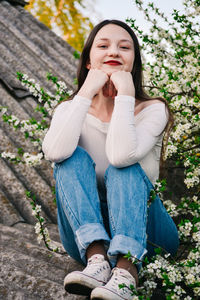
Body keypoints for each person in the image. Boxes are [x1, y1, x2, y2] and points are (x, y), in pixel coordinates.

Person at [42, 19, 179, 300]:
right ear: (89, 62)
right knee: (69, 157)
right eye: (103, 46)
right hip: (84, 240)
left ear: (133, 62)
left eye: (124, 47)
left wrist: (126, 96)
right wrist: (84, 94)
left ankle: (127, 273)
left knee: (123, 167)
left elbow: (120, 155)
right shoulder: (70, 109)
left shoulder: (153, 109)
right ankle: (98, 261)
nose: (114, 51)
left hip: (149, 233)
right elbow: (54, 153)